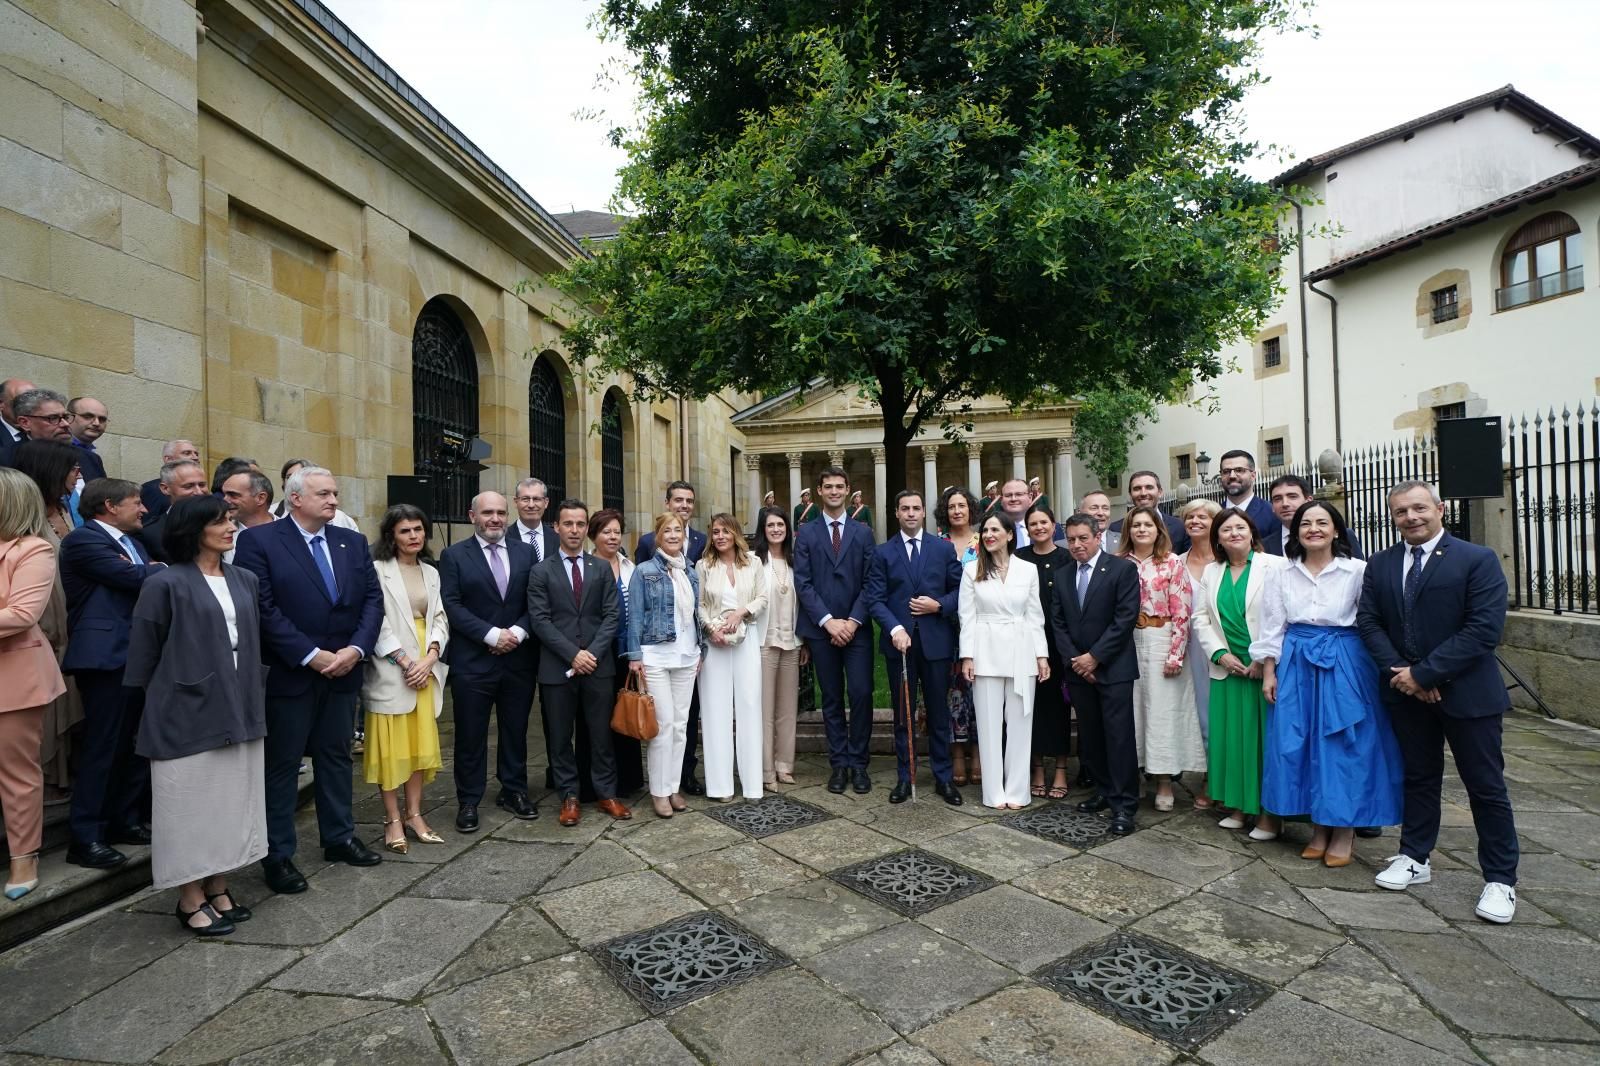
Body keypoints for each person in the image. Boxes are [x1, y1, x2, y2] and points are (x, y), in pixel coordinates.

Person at [1357, 481, 1518, 922]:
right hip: (1406, 694)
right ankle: (1415, 856)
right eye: (1401, 511)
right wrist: (1403, 675)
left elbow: (1483, 630)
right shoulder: (1381, 563)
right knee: (1419, 778)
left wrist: (1424, 673)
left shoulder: (1477, 559)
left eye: (1419, 508)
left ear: (1440, 509)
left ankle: (1500, 879)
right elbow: (1369, 622)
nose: (1411, 517)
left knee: (1485, 787)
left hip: (1468, 694)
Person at [233, 466, 384, 894]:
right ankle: (277, 855)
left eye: (335, 493)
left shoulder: (351, 541)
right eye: (324, 493)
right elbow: (261, 607)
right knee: (282, 765)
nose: (334, 500)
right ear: (296, 498)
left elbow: (372, 601)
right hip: (291, 674)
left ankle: (339, 837)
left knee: (336, 757)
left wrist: (356, 650)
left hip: (343, 670)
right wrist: (310, 655)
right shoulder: (260, 541)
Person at [123, 496, 266, 934]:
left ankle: (218, 885)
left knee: (231, 802)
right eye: (220, 521)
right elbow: (144, 655)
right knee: (187, 806)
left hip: (240, 705)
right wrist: (173, 696)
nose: (230, 527)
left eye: (230, 519)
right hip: (184, 710)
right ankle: (189, 898)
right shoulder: (165, 583)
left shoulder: (245, 579)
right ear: (193, 529)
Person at [1254, 499, 1402, 869]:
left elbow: (1371, 621)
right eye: (1306, 523)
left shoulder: (1358, 570)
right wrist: (1270, 672)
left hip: (1345, 659)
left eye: (1322, 522)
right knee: (1300, 744)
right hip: (1296, 661)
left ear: (1336, 530)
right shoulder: (1282, 572)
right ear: (1296, 532)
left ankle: (1344, 830)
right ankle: (1319, 828)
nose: (1313, 529)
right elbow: (1272, 625)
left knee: (1345, 745)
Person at [60, 477, 166, 869]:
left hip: (139, 655)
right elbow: (135, 578)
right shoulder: (84, 540)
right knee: (103, 745)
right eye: (136, 502)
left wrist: (152, 569)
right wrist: (158, 569)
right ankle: (86, 837)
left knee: (135, 744)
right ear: (110, 505)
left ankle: (125, 820)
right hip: (106, 658)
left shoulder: (134, 543)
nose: (144, 509)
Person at [438, 491, 537, 829]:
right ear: (472, 516)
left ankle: (514, 790)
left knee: (516, 730)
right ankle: (468, 800)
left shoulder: (526, 553)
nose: (495, 519)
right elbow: (452, 605)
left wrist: (518, 633)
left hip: (518, 660)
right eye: (487, 513)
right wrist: (491, 635)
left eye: (500, 513)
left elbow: (535, 601)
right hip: (473, 662)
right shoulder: (453, 555)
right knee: (470, 734)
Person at [529, 498, 630, 827]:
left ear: (587, 528)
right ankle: (569, 796)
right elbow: (540, 620)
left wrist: (592, 653)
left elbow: (612, 616)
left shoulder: (600, 568)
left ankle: (606, 793)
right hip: (556, 667)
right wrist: (573, 654)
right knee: (560, 737)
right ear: (556, 527)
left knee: (601, 735)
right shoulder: (541, 571)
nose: (574, 530)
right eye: (568, 523)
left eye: (580, 524)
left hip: (598, 667)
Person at [1192, 508, 1287, 840]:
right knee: (1232, 742)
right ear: (1217, 538)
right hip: (1227, 669)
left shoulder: (1274, 565)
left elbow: (1281, 617)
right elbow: (1201, 618)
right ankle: (1238, 806)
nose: (1233, 533)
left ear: (1251, 533)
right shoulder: (1212, 571)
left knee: (1263, 742)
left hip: (1263, 669)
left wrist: (1263, 658)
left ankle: (1268, 815)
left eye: (1240, 527)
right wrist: (1220, 654)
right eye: (1226, 529)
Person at [867, 490, 963, 805]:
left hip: (936, 642)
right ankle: (905, 777)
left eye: (916, 508)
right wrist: (895, 628)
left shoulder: (943, 549)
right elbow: (875, 599)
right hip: (900, 645)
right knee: (903, 715)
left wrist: (939, 605)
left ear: (924, 513)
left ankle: (943, 778)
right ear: (896, 513)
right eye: (905, 508)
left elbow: (959, 590)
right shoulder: (883, 553)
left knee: (939, 713)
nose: (910, 513)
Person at [1049, 513, 1142, 834]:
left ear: (1098, 536)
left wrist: (1095, 658)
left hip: (1113, 669)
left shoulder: (1122, 569)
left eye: (1083, 538)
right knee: (1091, 737)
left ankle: (1125, 805)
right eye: (1071, 539)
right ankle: (1104, 791)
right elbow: (1058, 622)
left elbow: (1125, 618)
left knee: (1119, 737)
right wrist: (1077, 660)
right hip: (1078, 671)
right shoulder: (1062, 575)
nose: (1077, 545)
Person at [363, 504, 448, 853]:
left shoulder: (431, 572)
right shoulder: (377, 570)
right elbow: (374, 620)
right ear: (391, 536)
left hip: (425, 667)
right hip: (391, 667)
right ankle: (392, 819)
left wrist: (429, 658)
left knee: (418, 747)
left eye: (418, 529)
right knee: (391, 749)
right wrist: (404, 661)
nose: (414, 536)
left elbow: (440, 617)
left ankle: (414, 814)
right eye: (405, 531)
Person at [0, 468, 68, 900]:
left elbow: (21, 615)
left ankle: (23, 857)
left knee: (16, 772)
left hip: (14, 678)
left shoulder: (33, 549)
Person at [1118, 505, 1206, 811]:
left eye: (1147, 524)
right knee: (1131, 711)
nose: (1141, 529)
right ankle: (1135, 774)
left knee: (1162, 712)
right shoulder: (1118, 562)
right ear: (1128, 531)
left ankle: (1165, 780)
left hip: (1162, 637)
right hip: (1127, 641)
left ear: (1158, 530)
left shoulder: (1172, 562)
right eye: (1136, 525)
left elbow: (1183, 610)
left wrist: (1176, 654)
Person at [795, 466, 877, 794]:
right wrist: (828, 621)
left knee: (861, 693)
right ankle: (839, 764)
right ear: (819, 491)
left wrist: (852, 621)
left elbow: (872, 581)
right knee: (830, 698)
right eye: (827, 486)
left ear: (847, 490)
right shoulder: (807, 533)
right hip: (822, 630)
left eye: (839, 486)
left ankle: (859, 764)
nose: (833, 491)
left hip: (857, 629)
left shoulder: (863, 533)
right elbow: (803, 582)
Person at [960, 513, 1049, 809]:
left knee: (1021, 723)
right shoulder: (972, 570)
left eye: (995, 529)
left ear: (1010, 535)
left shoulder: (1028, 570)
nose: (988, 534)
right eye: (985, 530)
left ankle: (1018, 790)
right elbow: (967, 616)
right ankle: (993, 791)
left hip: (1022, 650)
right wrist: (967, 656)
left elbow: (1035, 615)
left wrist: (1041, 655)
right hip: (985, 650)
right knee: (988, 725)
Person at [634, 480, 707, 794]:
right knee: (663, 727)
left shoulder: (692, 566)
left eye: (678, 531)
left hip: (687, 654)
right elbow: (637, 612)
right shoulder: (645, 563)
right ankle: (660, 791)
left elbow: (698, 609)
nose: (674, 535)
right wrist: (634, 655)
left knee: (681, 725)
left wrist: (701, 649)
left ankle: (677, 784)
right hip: (657, 655)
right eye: (668, 531)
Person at [695, 513, 768, 801]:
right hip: (715, 643)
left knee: (749, 706)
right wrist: (710, 629)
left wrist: (741, 612)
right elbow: (699, 604)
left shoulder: (754, 562)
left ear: (735, 533)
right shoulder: (703, 565)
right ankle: (720, 786)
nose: (720, 536)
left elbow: (763, 597)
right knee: (716, 711)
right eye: (715, 532)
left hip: (746, 638)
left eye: (725, 531)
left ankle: (752, 785)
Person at [581, 508, 644, 799]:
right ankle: (593, 784)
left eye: (617, 531)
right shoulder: (585, 566)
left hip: (626, 652)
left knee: (626, 712)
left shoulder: (630, 567)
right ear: (594, 535)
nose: (613, 537)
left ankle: (627, 781)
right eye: (606, 531)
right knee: (596, 719)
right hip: (595, 653)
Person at [1016, 504, 1072, 801]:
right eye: (1033, 524)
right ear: (1027, 528)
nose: (1039, 528)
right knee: (1032, 707)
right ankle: (1037, 769)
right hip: (1026, 643)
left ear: (1053, 525)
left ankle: (1061, 769)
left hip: (1060, 643)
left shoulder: (1067, 557)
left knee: (1060, 707)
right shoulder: (1018, 558)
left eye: (1043, 522)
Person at [754, 506, 804, 789]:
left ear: (787, 529)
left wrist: (803, 641)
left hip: (791, 642)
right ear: (763, 529)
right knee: (765, 709)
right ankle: (766, 770)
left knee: (787, 708)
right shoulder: (753, 561)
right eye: (771, 525)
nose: (776, 530)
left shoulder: (796, 562)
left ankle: (785, 765)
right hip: (764, 642)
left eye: (780, 525)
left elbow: (803, 603)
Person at [1177, 498, 1222, 808]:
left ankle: (1220, 776)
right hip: (1188, 646)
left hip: (1221, 646)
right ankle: (1207, 773)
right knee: (1198, 712)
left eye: (1203, 517)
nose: (1195, 521)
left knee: (1221, 711)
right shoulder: (1177, 561)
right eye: (1190, 517)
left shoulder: (1225, 558)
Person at [936, 486, 980, 784]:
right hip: (946, 628)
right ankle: (955, 756)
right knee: (951, 693)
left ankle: (978, 754)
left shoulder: (985, 541)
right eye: (951, 506)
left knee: (978, 691)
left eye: (962, 505)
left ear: (970, 509)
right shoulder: (937, 544)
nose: (957, 511)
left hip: (979, 629)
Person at [1260, 475, 1366, 559]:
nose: (1285, 504)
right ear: (1272, 506)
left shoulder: (1345, 536)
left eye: (1292, 496)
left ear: (1309, 500)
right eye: (1277, 499)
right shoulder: (1263, 546)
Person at [138, 460, 209, 562]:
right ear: (165, 489)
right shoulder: (149, 534)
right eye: (188, 486)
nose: (199, 492)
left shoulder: (222, 523)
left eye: (202, 485)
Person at [1108, 471, 1191, 554]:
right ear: (1130, 494)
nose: (1143, 493)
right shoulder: (1116, 529)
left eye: (1149, 487)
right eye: (1137, 488)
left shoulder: (1179, 527)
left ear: (1160, 492)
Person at [268, 458, 360, 531]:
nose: (334, 501)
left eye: (300, 475)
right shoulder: (270, 513)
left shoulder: (342, 520)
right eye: (289, 477)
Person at [1216, 450, 1280, 546]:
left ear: (1253, 476)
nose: (1232, 476)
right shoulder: (1214, 513)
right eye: (1226, 471)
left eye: (1239, 470)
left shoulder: (1271, 512)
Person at [139, 440, 200, 520]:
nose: (195, 458)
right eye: (187, 453)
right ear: (168, 459)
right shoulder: (152, 489)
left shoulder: (201, 489)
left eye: (196, 454)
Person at [511, 477, 557, 564]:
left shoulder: (558, 538)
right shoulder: (504, 538)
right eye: (525, 499)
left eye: (536, 499)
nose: (531, 505)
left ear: (546, 503)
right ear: (516, 502)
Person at [67, 397, 111, 483]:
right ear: (69, 417)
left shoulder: (93, 456)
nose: (96, 423)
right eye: (87, 417)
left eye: (102, 419)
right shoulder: (56, 450)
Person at [996, 478, 1034, 549]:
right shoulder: (986, 530)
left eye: (1019, 494)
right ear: (1001, 500)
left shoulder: (1049, 529)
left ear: (1030, 497)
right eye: (1008, 495)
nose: (1013, 499)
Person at [0, 379, 37, 447]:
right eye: (21, 402)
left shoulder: (46, 430)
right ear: (1, 403)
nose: (30, 407)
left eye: (35, 402)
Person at [1080, 491, 1117, 555]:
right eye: (1094, 508)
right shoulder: (1064, 546)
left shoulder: (1125, 541)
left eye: (1105, 508)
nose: (1100, 513)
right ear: (1081, 513)